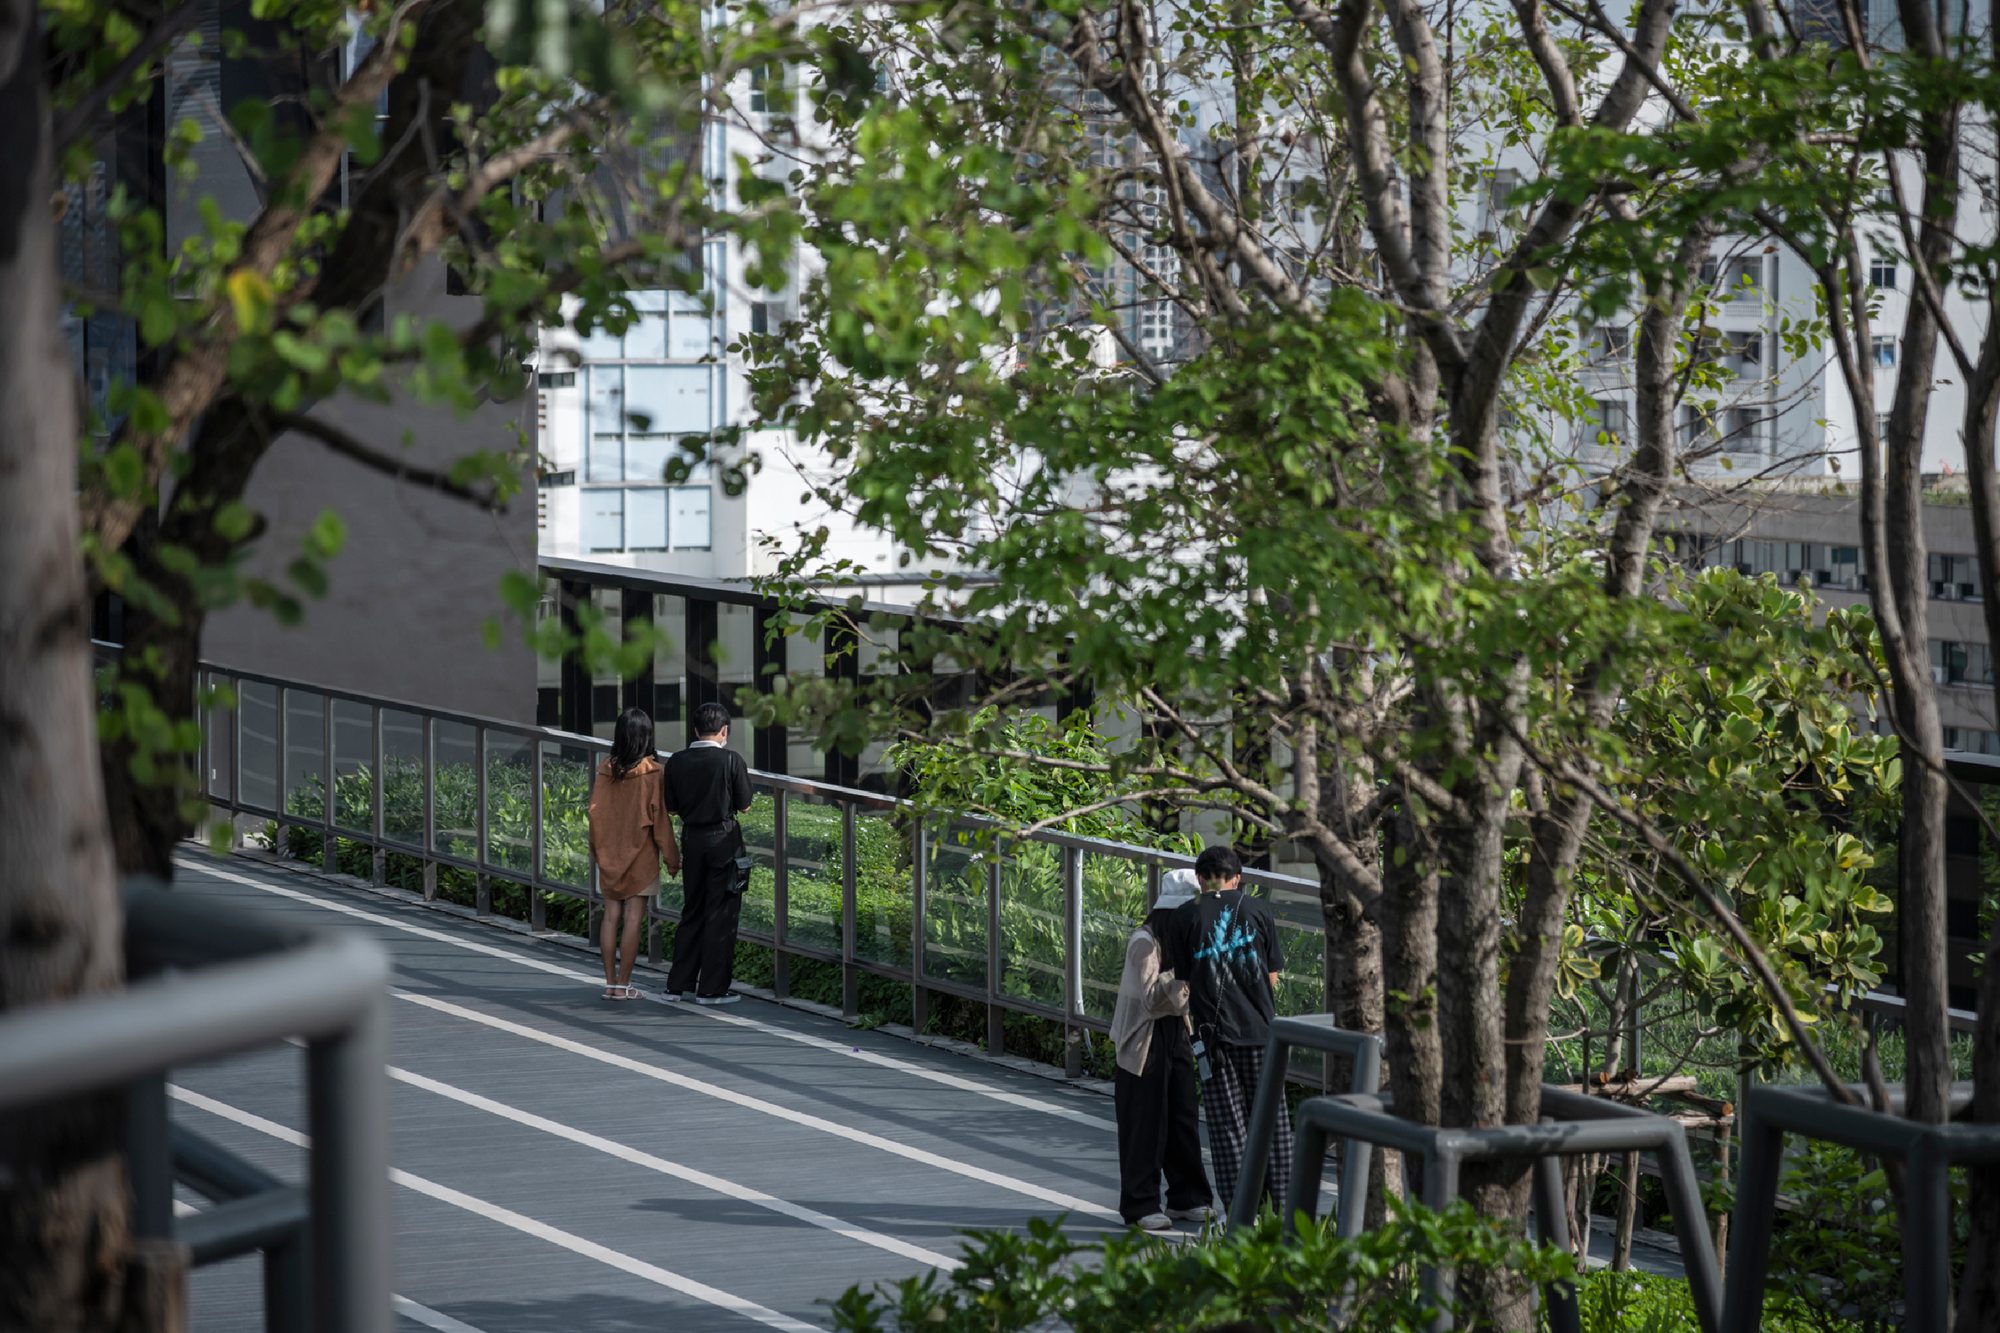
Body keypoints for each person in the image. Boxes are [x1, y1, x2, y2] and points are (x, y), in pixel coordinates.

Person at [1161, 844, 1292, 1217]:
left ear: (1200, 878)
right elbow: (1272, 977)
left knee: (1227, 1129)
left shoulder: (1184, 917)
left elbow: (1186, 979)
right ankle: (1281, 1209)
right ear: (1238, 879)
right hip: (1262, 1034)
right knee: (1274, 1125)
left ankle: (1240, 1212)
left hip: (1211, 1038)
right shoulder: (1258, 910)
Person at [1109, 868, 1214, 1230]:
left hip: (1177, 1034)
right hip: (1143, 1040)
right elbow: (1152, 999)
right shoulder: (1145, 942)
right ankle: (1140, 1205)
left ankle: (1188, 1197)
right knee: (1145, 1123)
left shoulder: (1181, 941)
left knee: (1183, 1116)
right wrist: (1186, 975)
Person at [663, 701, 755, 1005]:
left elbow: (672, 807)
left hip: (692, 837)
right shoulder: (731, 761)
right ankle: (712, 988)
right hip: (724, 839)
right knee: (722, 912)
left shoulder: (676, 761)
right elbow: (744, 804)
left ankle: (678, 984)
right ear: (725, 730)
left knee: (693, 909)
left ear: (694, 729)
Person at [586, 708, 679, 1000]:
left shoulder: (605, 769)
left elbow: (595, 814)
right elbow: (661, 821)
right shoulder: (654, 773)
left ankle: (610, 982)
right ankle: (623, 985)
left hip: (609, 854)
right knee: (634, 918)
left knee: (611, 916)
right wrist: (672, 859)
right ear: (646, 736)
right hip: (641, 856)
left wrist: (596, 852)